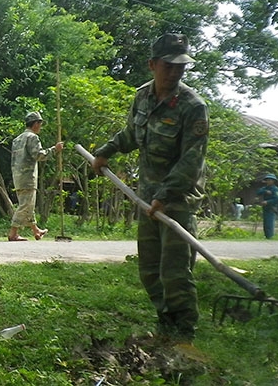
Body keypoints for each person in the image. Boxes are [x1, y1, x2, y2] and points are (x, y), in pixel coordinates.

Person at [91, 33, 208, 343]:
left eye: (180, 67)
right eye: (168, 66)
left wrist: (165, 195)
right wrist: (106, 152)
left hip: (177, 200)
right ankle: (165, 324)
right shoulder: (143, 97)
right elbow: (131, 133)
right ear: (153, 65)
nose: (174, 73)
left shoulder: (193, 107)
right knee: (150, 269)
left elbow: (191, 160)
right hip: (147, 198)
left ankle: (184, 336)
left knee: (175, 272)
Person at [8, 111, 63, 241]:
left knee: (28, 204)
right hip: (28, 177)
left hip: (18, 176)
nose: (40, 127)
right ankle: (13, 232)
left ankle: (36, 230)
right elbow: (39, 155)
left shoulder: (18, 139)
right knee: (25, 205)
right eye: (40, 124)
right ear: (36, 124)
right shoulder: (32, 138)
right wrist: (55, 149)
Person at [257, 173, 278, 239]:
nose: (268, 181)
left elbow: (277, 199)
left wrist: (267, 202)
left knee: (269, 222)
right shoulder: (265, 188)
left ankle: (270, 236)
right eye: (267, 180)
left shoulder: (275, 189)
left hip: (271, 207)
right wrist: (265, 191)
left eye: (270, 180)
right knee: (265, 222)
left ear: (273, 181)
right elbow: (258, 192)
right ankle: (266, 235)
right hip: (265, 207)